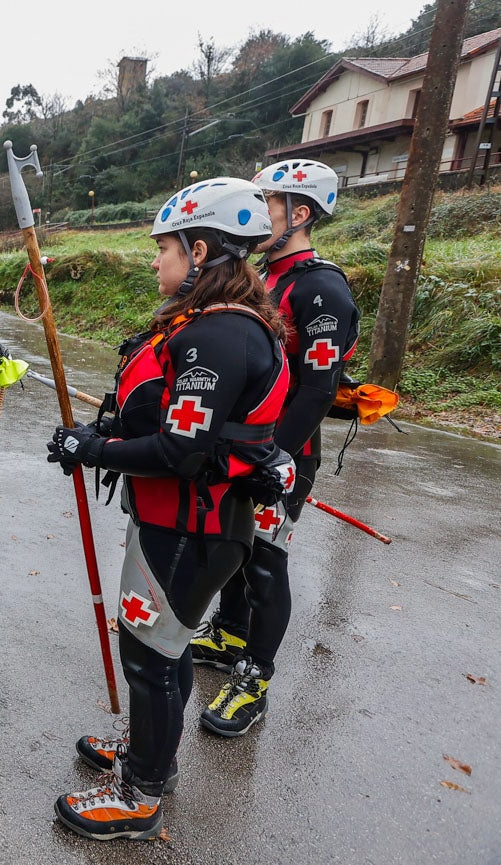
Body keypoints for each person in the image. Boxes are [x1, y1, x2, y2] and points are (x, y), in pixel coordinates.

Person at [45, 178, 292, 841]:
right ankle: (150, 751)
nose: (155, 260)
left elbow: (183, 451)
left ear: (201, 249)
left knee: (149, 656)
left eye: (164, 248)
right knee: (164, 645)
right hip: (180, 521)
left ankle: (139, 793)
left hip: (191, 526)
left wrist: (89, 447)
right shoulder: (203, 325)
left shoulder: (216, 336)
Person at [191, 159, 361, 735]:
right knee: (235, 548)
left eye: (268, 202)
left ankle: (254, 678)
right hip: (246, 444)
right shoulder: (266, 276)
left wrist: (275, 459)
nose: (257, 212)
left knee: (266, 562)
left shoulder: (320, 289)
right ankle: (228, 634)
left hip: (284, 452)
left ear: (301, 213)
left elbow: (318, 389)